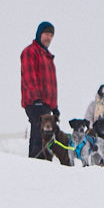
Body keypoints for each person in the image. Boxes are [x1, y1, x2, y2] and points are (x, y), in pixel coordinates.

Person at [20, 21, 61, 161]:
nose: (48, 38)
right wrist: (35, 99)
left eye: (51, 35)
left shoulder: (47, 56)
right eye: (46, 34)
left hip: (46, 104)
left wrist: (54, 107)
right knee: (39, 132)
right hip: (35, 102)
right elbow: (29, 77)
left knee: (46, 135)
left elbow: (51, 84)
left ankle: (42, 163)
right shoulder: (30, 52)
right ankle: (34, 163)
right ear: (39, 34)